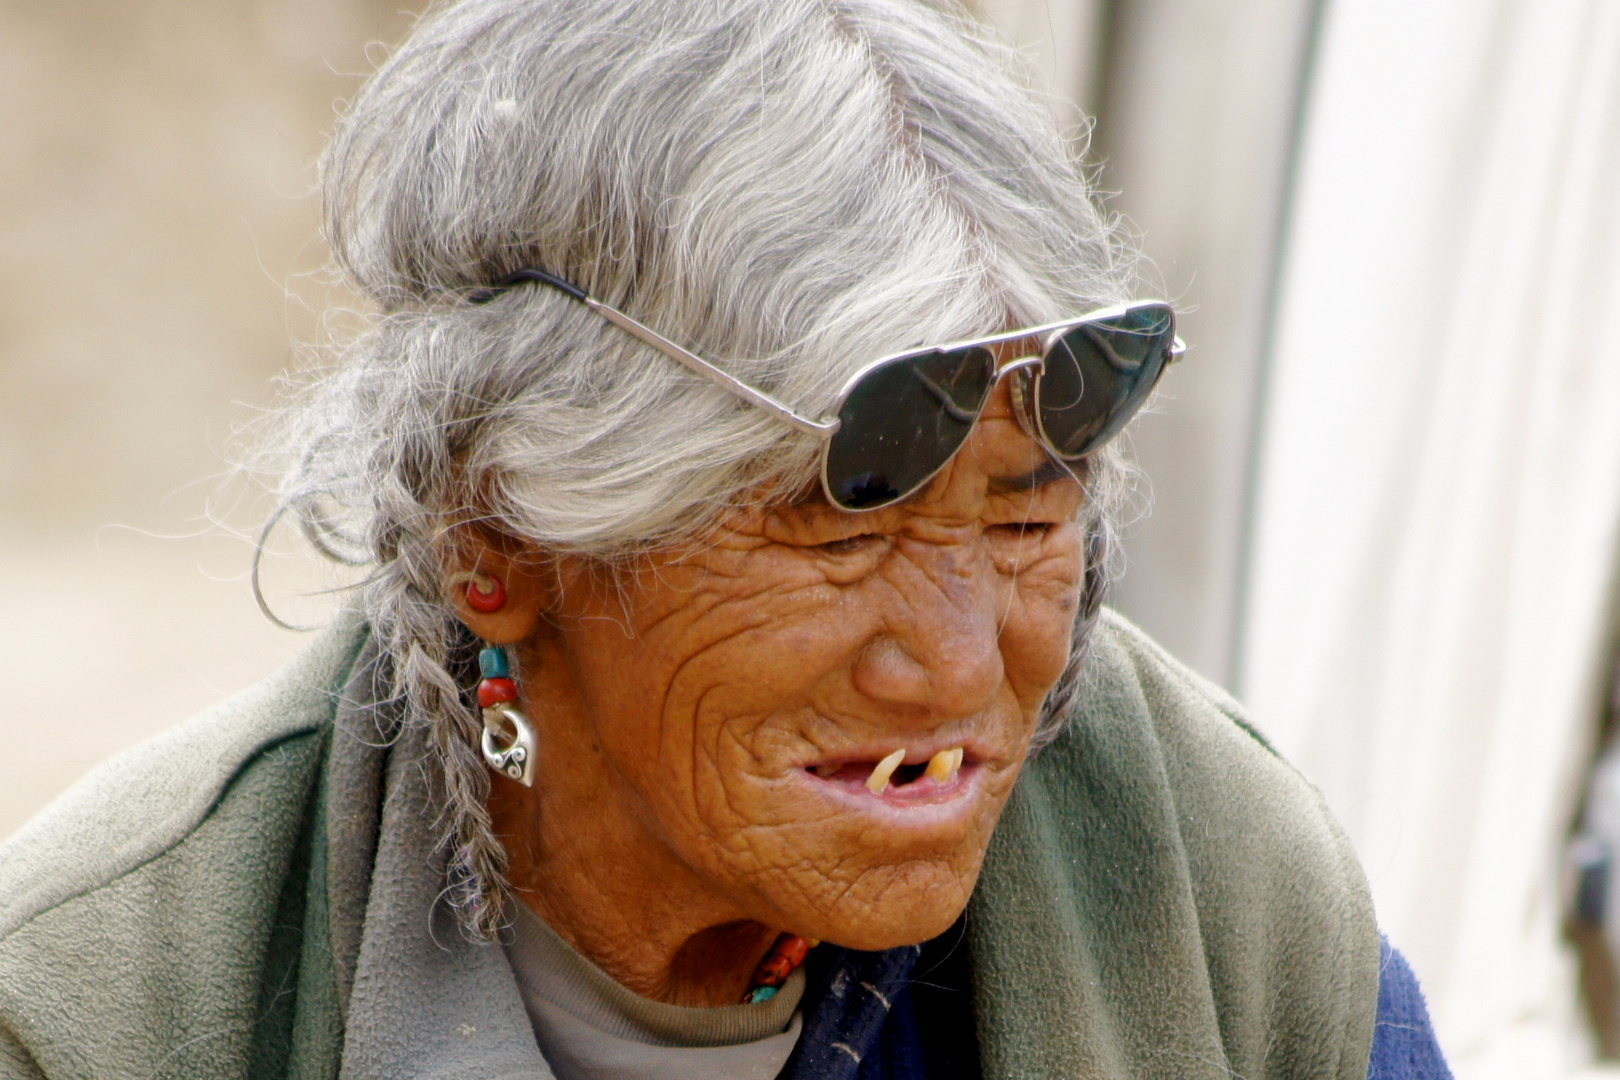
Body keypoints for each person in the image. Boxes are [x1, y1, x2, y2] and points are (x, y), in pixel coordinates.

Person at [0, 0, 1452, 1077]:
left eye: (1026, 508)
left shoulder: (1221, 892)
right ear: (486, 540)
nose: (959, 661)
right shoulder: (102, 1010)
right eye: (836, 523)